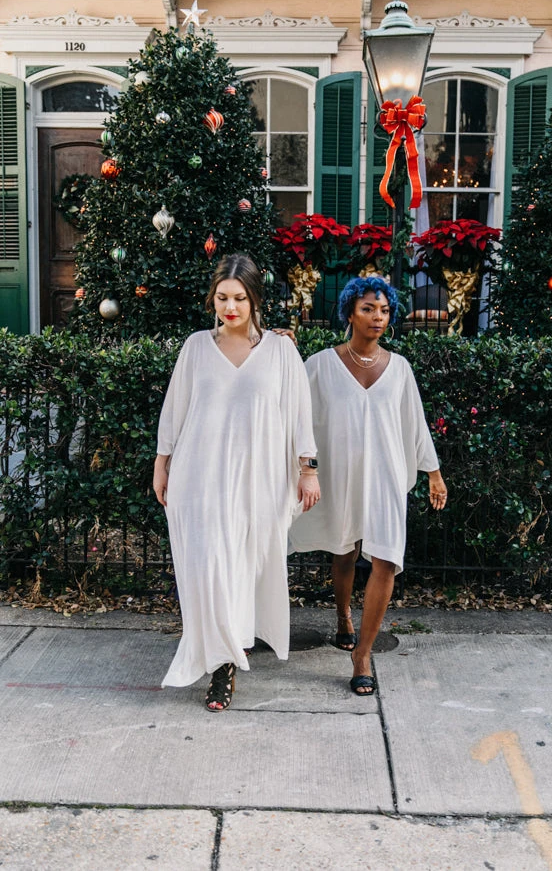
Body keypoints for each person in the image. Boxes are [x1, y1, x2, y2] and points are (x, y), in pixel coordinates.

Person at [153, 254, 320, 712]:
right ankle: (223, 666)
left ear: (254, 300)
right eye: (222, 297)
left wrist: (308, 468)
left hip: (259, 480)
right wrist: (162, 463)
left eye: (240, 298)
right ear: (212, 299)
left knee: (243, 566)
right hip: (200, 477)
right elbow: (175, 409)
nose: (230, 307)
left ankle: (232, 647)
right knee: (210, 565)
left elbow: (299, 413)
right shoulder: (196, 347)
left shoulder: (281, 350)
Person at [289, 276, 447, 696]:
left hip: (387, 477)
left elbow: (415, 425)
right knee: (344, 551)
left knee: (386, 559)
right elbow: (294, 414)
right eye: (368, 309)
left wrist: (433, 472)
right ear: (349, 313)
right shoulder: (320, 364)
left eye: (384, 310)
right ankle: (343, 615)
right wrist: (279, 350)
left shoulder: (400, 368)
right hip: (339, 475)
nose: (378, 317)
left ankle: (362, 653)